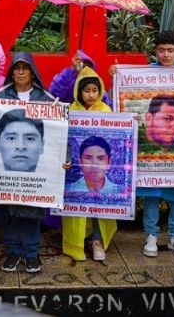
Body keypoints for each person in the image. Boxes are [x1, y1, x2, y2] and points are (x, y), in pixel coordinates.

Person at [0, 51, 54, 272]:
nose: (20, 72)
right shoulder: (0, 97)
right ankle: (13, 252)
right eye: (16, 68)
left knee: (31, 211)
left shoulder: (46, 98)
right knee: (11, 211)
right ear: (11, 72)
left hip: (35, 169)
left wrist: (64, 159)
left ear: (32, 72)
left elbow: (57, 132)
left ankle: (32, 253)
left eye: (25, 68)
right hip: (7, 169)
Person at [137, 30, 174, 258]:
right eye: (161, 50)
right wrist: (116, 74)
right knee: (151, 195)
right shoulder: (146, 73)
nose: (166, 54)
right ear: (155, 51)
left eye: (171, 50)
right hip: (149, 157)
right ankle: (151, 236)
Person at [64, 69, 118, 262]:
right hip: (76, 171)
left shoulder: (106, 110)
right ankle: (77, 244)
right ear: (79, 91)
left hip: (98, 175)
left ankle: (97, 241)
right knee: (78, 207)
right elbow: (64, 139)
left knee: (98, 207)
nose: (91, 94)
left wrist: (132, 124)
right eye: (87, 90)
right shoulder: (70, 109)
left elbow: (113, 139)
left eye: (95, 90)